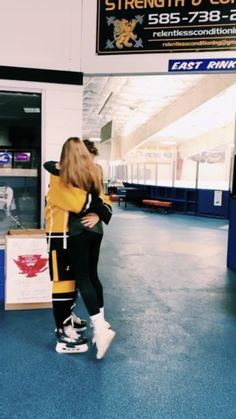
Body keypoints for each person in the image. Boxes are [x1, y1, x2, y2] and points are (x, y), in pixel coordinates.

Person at [44, 137, 115, 359]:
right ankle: (62, 327)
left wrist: (100, 212)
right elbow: (79, 202)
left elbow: (103, 200)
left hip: (75, 234)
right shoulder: (59, 178)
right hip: (59, 235)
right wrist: (100, 207)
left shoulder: (75, 175)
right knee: (63, 281)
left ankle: (68, 318)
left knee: (76, 280)